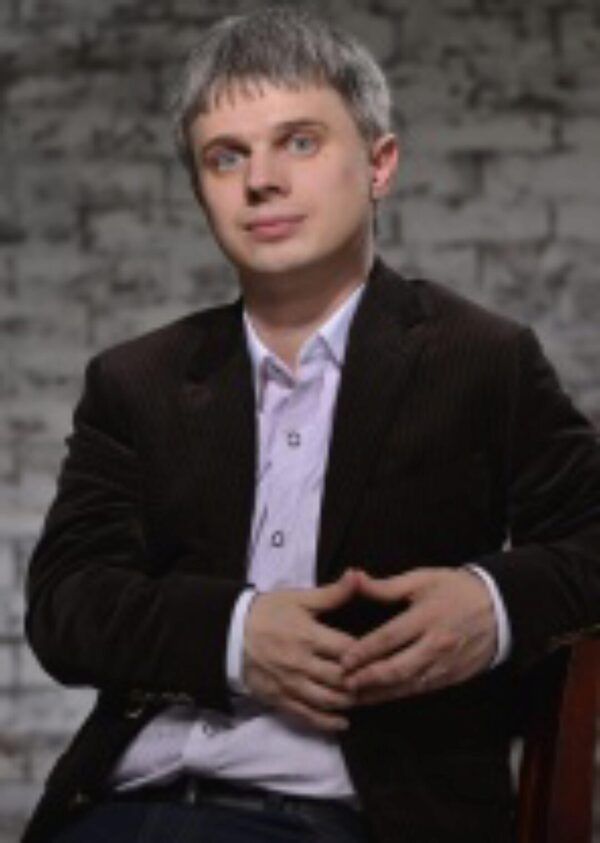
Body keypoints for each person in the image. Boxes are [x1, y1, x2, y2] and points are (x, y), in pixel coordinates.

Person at [22, 8, 600, 843]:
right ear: (201, 190)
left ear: (380, 164)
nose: (260, 180)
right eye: (226, 156)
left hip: (360, 815)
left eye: (299, 141)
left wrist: (492, 601)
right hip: (125, 808)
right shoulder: (134, 381)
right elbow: (67, 604)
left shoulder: (484, 358)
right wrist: (234, 634)